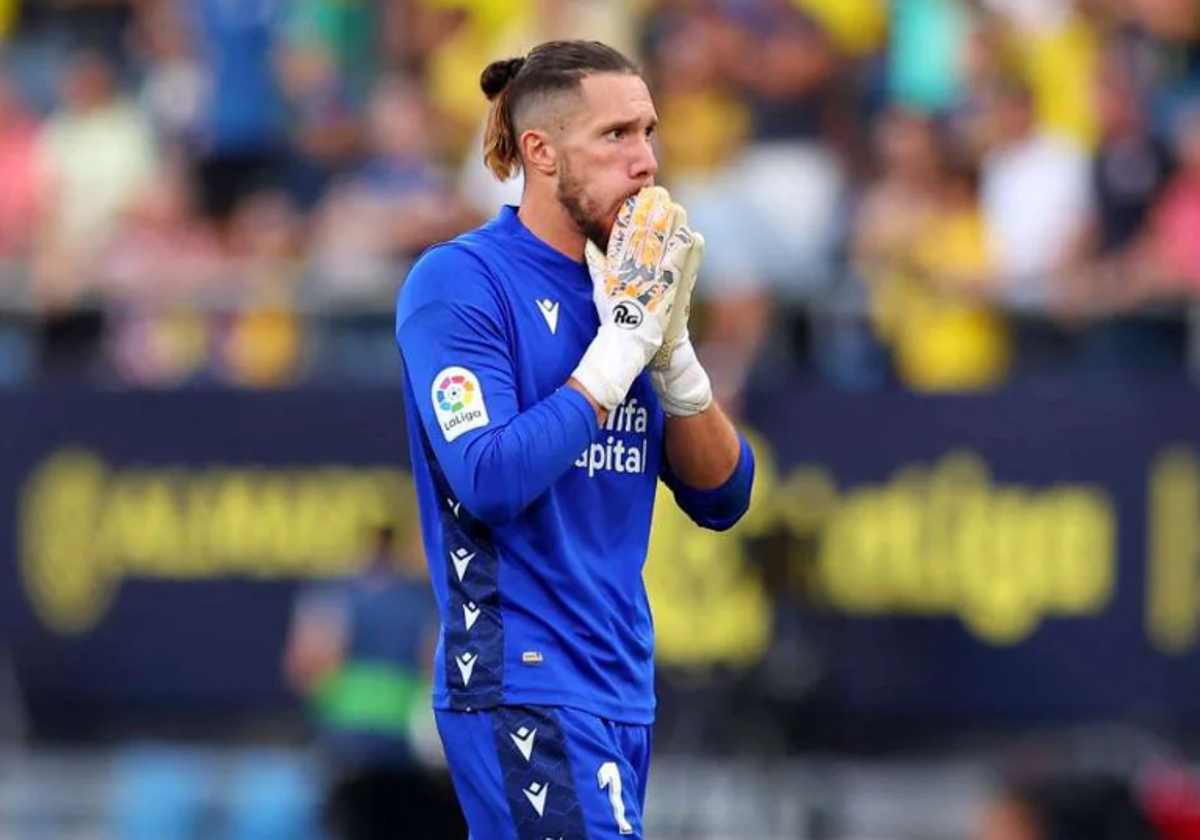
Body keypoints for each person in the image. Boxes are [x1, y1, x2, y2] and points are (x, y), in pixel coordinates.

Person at [393, 39, 755, 839]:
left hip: (619, 680)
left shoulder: (629, 285)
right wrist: (617, 352)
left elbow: (725, 496)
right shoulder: (460, 283)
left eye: (650, 132)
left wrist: (675, 360)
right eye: (616, 136)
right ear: (541, 152)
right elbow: (487, 475)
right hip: (521, 672)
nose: (647, 161)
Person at [283, 525, 463, 839]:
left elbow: (307, 667)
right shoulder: (428, 600)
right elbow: (435, 669)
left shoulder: (335, 598)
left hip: (350, 750)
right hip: (411, 755)